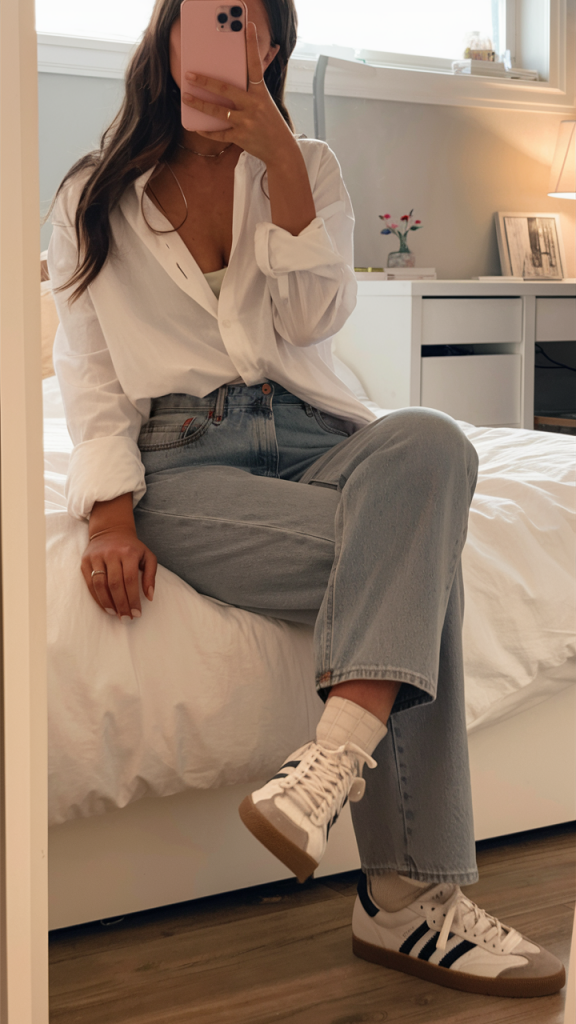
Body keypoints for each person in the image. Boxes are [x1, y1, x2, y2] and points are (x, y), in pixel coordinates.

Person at [47, 0, 564, 1000]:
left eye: (244, 22)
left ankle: (329, 761)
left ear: (271, 46)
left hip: (320, 438)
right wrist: (109, 511)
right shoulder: (91, 192)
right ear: (167, 38)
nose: (222, 39)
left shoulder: (309, 167)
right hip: (185, 461)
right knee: (416, 565)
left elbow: (315, 316)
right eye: (204, 17)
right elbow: (89, 372)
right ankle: (408, 902)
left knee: (432, 442)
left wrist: (280, 157)